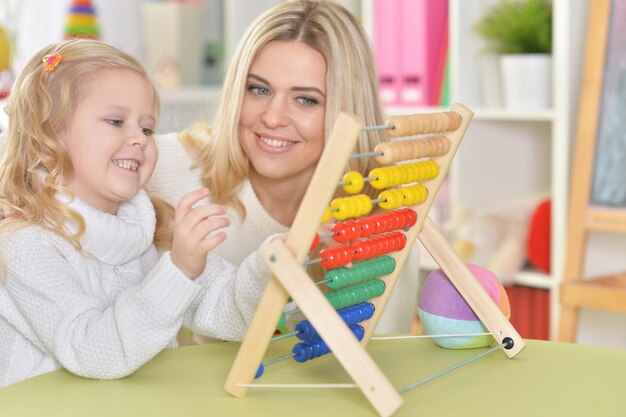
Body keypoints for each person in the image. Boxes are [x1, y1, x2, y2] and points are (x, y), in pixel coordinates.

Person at [0, 39, 272, 388]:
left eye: (147, 127)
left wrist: (269, 267)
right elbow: (93, 351)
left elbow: (226, 312)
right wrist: (179, 271)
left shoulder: (149, 231)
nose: (140, 138)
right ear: (48, 136)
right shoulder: (26, 246)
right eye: (116, 121)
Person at [148, 0, 420, 334]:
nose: (273, 117)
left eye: (306, 99)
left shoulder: (380, 218)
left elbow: (383, 347)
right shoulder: (156, 167)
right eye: (258, 89)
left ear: (346, 109)